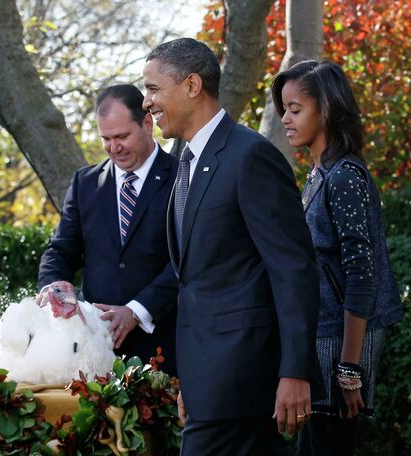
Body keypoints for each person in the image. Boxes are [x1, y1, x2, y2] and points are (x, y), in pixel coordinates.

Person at [141, 38, 321, 456]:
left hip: (244, 382)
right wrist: (194, 382)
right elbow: (197, 280)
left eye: (153, 88)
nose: (147, 102)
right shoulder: (186, 160)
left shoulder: (250, 157)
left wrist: (295, 372)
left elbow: (293, 269)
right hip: (213, 385)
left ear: (191, 85)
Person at [270, 60, 403, 456]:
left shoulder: (345, 176)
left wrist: (349, 369)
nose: (286, 119)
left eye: (295, 109)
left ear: (325, 109)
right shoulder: (318, 174)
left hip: (340, 342)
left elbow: (362, 275)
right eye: (283, 110)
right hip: (320, 333)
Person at [38, 84, 179, 377]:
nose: (114, 148)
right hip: (94, 353)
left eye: (122, 137)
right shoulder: (84, 183)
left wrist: (137, 311)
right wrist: (52, 287)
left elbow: (188, 258)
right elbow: (62, 250)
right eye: (106, 138)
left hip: (165, 349)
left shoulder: (182, 178)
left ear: (147, 123)